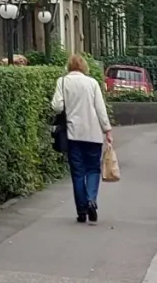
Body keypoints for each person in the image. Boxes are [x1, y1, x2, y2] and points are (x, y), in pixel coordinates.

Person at [51, 54, 113, 224]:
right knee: (93, 169)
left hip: (73, 134)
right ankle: (91, 199)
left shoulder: (62, 82)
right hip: (93, 134)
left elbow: (57, 106)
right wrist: (107, 130)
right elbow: (100, 109)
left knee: (78, 173)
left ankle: (82, 210)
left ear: (69, 66)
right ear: (84, 66)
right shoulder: (92, 83)